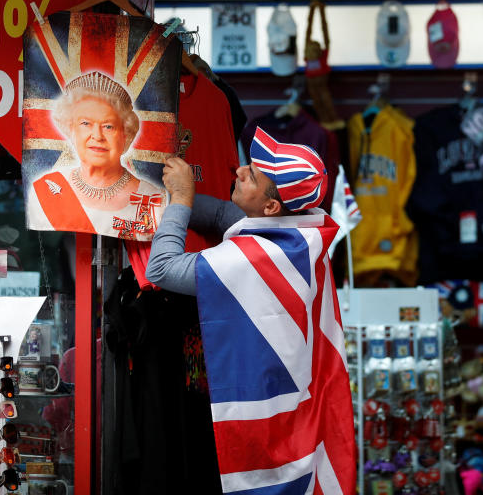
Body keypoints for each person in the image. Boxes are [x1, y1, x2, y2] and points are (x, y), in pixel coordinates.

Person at [144, 127, 355, 494]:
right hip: (298, 407)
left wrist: (179, 198)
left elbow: (161, 268)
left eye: (253, 174)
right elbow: (227, 215)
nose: (240, 169)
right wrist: (176, 196)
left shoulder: (256, 258)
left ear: (271, 207)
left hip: (272, 429)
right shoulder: (304, 228)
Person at [26, 71, 166, 239]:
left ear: (126, 135)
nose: (97, 136)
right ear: (71, 130)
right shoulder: (45, 192)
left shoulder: (153, 200)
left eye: (108, 126)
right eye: (85, 123)